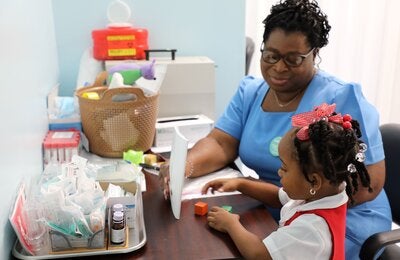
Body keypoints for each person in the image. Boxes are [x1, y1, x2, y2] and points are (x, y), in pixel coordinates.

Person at [160, 0, 391, 258]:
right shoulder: (250, 92)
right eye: (271, 55)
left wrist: (302, 201)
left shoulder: (340, 97)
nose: (279, 67)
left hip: (333, 219)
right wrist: (185, 167)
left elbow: (370, 182)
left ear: (315, 54)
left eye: (293, 59)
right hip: (282, 202)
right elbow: (221, 143)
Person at [202, 103, 371, 260]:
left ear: (314, 181)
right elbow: (277, 196)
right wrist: (241, 184)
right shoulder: (325, 192)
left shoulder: (311, 229)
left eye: (284, 167)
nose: (279, 172)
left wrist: (231, 224)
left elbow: (259, 254)